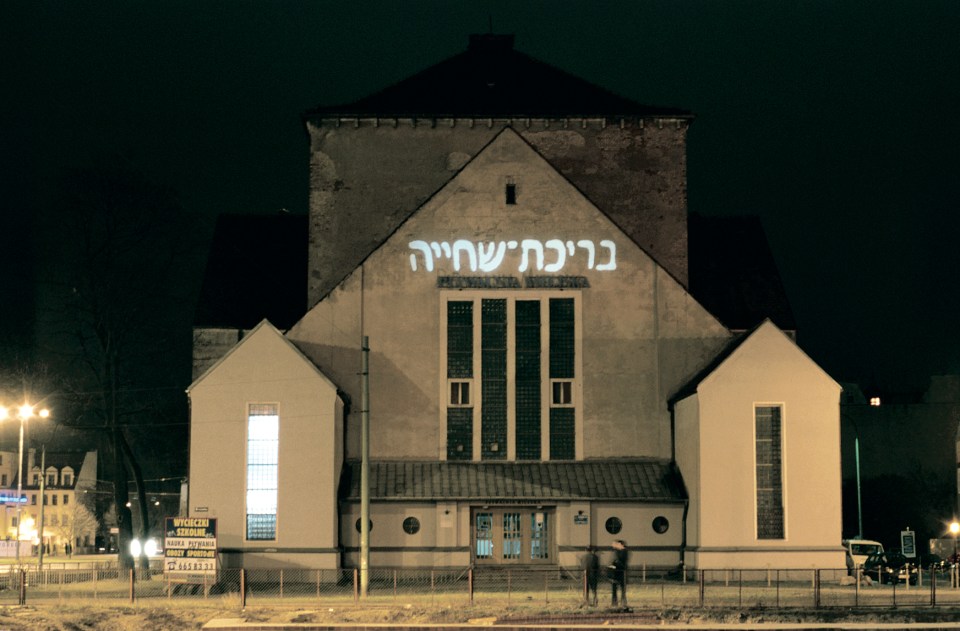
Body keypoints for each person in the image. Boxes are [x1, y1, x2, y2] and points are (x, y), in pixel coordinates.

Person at [609, 539, 629, 607]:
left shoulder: (623, 552)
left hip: (619, 572)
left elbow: (618, 561)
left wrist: (614, 564)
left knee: (621, 588)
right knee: (618, 589)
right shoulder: (618, 552)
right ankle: (617, 602)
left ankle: (619, 602)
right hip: (617, 572)